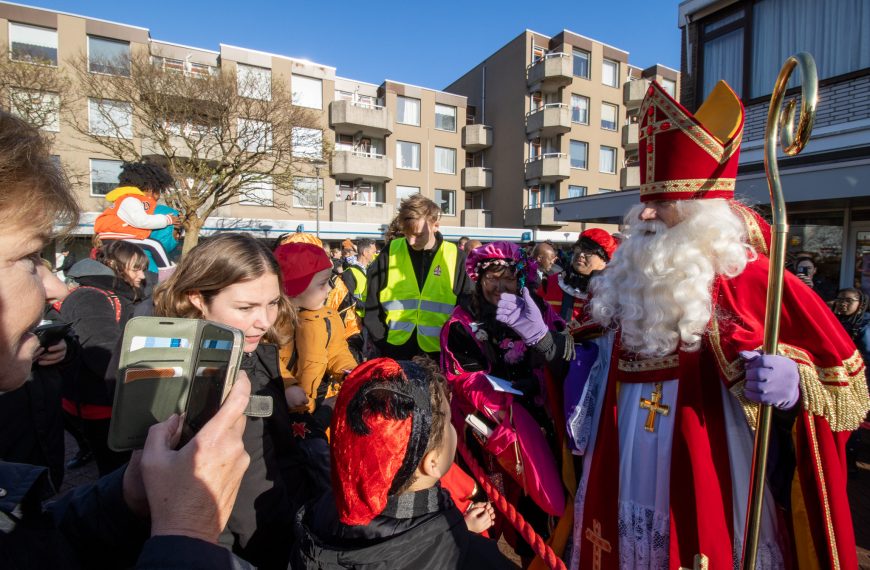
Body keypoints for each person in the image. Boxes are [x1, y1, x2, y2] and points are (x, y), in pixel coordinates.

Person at [570, 80, 868, 569]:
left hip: (708, 461)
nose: (643, 213)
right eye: (646, 199)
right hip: (619, 457)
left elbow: (845, 387)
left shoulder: (751, 278)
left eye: (661, 203)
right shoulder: (632, 275)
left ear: (697, 215)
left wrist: (796, 386)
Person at [0, 108, 254, 569]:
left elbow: (27, 545)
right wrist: (187, 533)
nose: (51, 287)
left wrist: (126, 497)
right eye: (29, 258)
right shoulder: (102, 293)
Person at [152, 232, 304, 570]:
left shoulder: (252, 348)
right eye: (246, 307)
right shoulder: (204, 376)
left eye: (273, 302)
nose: (264, 321)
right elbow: (251, 492)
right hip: (238, 546)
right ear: (197, 298)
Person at [293, 357, 512, 569]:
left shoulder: (322, 511)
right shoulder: (477, 559)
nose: (452, 428)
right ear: (432, 462)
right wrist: (458, 534)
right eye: (447, 423)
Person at [441, 241, 573, 562]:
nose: (499, 286)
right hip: (490, 430)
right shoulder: (462, 322)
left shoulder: (539, 310)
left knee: (545, 515)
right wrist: (512, 398)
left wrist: (540, 378)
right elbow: (464, 379)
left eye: (508, 279)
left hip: (544, 426)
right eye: (491, 278)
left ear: (521, 280)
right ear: (478, 279)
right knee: (493, 510)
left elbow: (564, 354)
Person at [274, 242, 358, 495]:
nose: (330, 288)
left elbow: (337, 351)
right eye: (322, 283)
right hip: (288, 409)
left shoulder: (328, 316)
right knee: (314, 459)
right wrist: (287, 385)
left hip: (317, 403)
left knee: (322, 455)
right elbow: (271, 361)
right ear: (294, 289)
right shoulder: (277, 323)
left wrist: (349, 371)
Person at [60, 241, 150, 476]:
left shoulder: (124, 295)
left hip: (114, 399)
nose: (142, 276)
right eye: (136, 268)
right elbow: (103, 351)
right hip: (101, 403)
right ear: (113, 265)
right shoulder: (90, 296)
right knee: (115, 475)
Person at [364, 194, 471, 361]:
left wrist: (454, 345)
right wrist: (382, 342)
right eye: (407, 234)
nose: (411, 240)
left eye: (418, 234)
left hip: (439, 353)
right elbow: (371, 301)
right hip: (395, 351)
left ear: (435, 225)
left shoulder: (456, 257)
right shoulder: (390, 251)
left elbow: (467, 308)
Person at [93, 161, 180, 269]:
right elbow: (143, 222)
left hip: (116, 250)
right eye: (158, 191)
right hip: (143, 262)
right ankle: (167, 271)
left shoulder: (121, 201)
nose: (158, 197)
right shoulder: (133, 201)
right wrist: (168, 220)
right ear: (150, 189)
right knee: (155, 245)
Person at [540, 229, 617, 332]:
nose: (581, 254)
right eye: (578, 249)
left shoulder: (616, 291)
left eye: (589, 251)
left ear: (604, 259)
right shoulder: (550, 282)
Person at [833, 288, 870, 361]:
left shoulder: (865, 324)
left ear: (861, 304)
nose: (843, 303)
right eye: (839, 300)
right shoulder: (836, 320)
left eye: (849, 301)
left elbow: (867, 354)